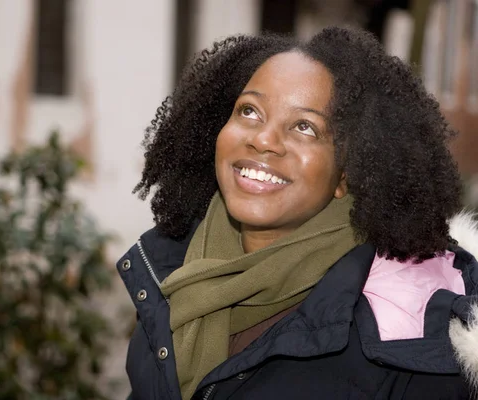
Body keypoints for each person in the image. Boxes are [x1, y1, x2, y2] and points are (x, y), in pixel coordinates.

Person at [117, 27, 478, 400]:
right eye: (249, 111)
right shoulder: (169, 274)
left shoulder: (410, 343)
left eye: (305, 127)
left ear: (346, 173)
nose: (263, 140)